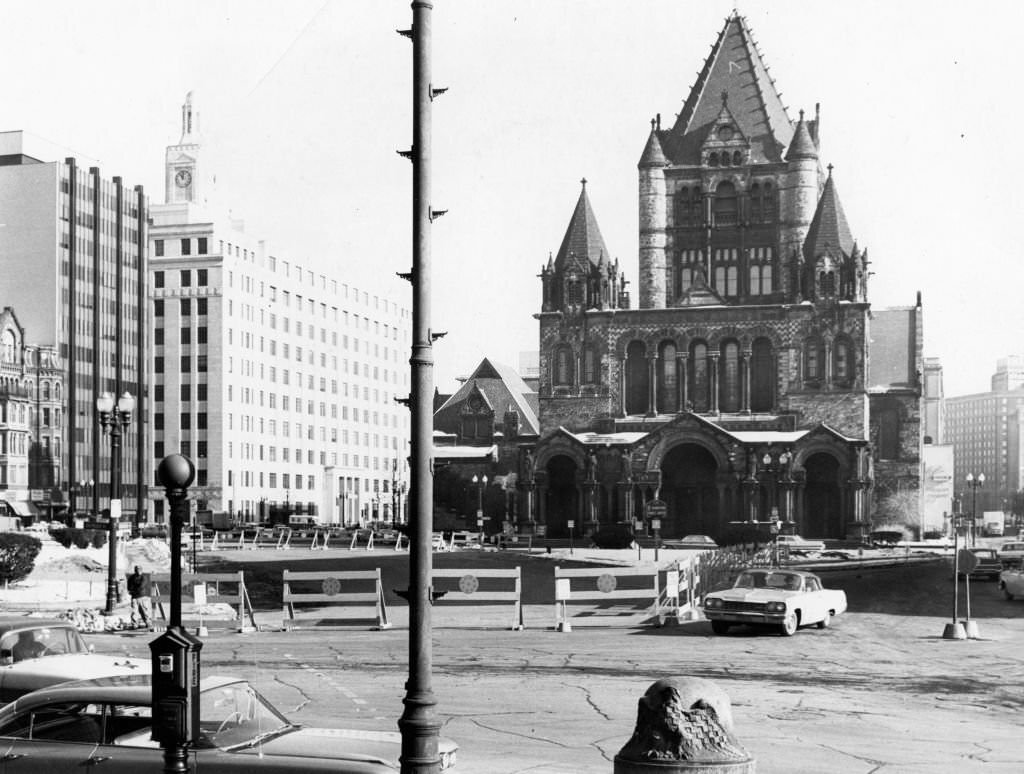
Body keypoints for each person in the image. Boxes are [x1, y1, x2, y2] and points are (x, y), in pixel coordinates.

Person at [126, 565, 153, 631]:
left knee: (144, 611)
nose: (138, 571)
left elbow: (141, 586)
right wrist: (131, 591)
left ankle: (148, 623)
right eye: (137, 570)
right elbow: (129, 586)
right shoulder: (131, 578)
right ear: (135, 570)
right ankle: (134, 624)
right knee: (134, 612)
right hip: (134, 597)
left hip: (142, 597)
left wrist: (133, 590)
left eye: (140, 570)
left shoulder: (144, 577)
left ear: (141, 570)